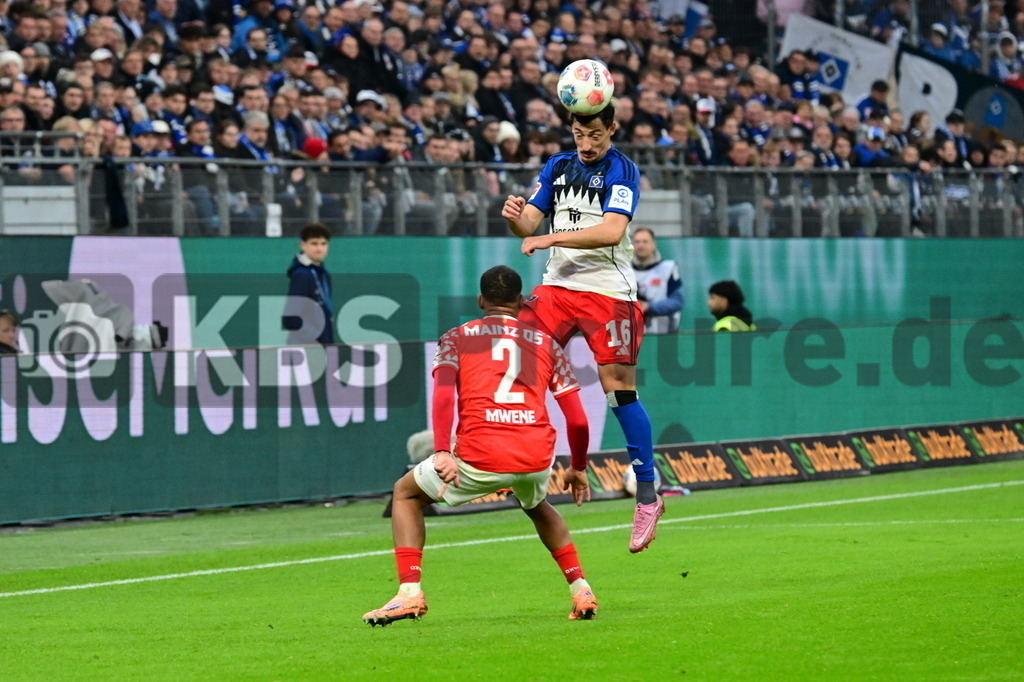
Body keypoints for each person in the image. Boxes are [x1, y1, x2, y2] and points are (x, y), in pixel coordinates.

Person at [363, 265, 596, 626]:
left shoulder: (456, 337)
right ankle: (581, 588)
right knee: (536, 504)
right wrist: (578, 466)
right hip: (535, 454)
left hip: (481, 452)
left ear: (480, 300)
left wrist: (442, 450)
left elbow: (442, 396)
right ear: (522, 302)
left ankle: (408, 593)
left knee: (405, 494)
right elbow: (578, 420)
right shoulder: (548, 344)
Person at [500, 103, 664, 554]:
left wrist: (549, 237)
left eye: (595, 135)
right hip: (557, 286)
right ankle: (522, 463)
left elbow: (612, 231)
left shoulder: (623, 170)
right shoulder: (557, 166)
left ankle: (647, 495)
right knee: (518, 363)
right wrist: (515, 215)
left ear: (610, 128)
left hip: (608, 291)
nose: (587, 145)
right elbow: (528, 225)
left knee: (618, 390)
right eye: (579, 135)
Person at [282, 222, 334, 345]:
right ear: (303, 245)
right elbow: (290, 318)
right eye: (314, 243)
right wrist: (314, 338)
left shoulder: (323, 273)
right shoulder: (303, 274)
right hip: (307, 350)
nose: (319, 248)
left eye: (323, 244)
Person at [631, 228, 683, 334]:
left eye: (645, 241)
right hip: (632, 335)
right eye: (637, 242)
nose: (641, 245)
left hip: (663, 335)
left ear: (654, 244)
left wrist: (649, 307)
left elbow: (677, 301)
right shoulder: (624, 269)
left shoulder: (668, 268)